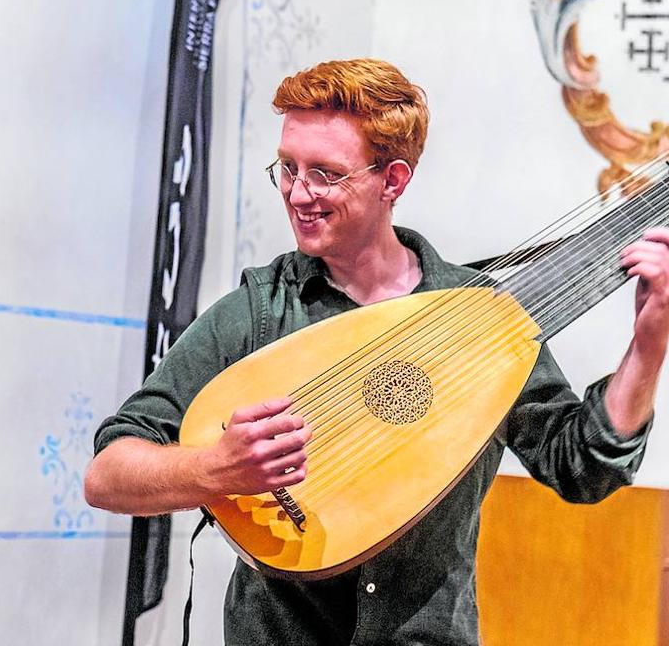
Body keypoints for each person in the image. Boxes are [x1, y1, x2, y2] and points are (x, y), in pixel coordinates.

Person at [85, 58, 666, 645]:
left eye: (326, 174)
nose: (298, 193)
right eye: (287, 168)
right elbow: (108, 474)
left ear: (393, 180)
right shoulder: (260, 311)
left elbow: (583, 470)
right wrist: (217, 469)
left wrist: (647, 346)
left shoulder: (481, 319)